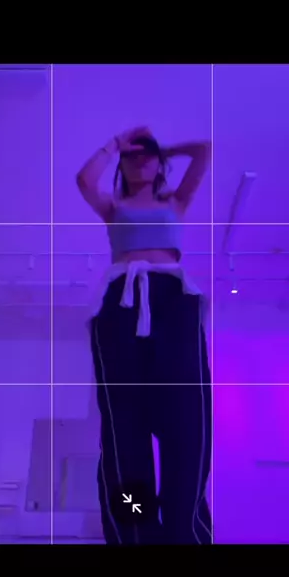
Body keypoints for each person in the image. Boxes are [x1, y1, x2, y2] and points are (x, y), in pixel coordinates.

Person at [77, 128, 212, 545]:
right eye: (131, 158)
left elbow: (204, 150)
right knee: (124, 427)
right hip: (121, 301)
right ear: (121, 164)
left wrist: (161, 148)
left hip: (173, 299)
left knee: (187, 422)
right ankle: (135, 534)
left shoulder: (175, 201)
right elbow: (84, 179)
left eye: (147, 156)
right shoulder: (113, 206)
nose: (139, 161)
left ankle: (184, 532)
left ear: (159, 163)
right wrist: (116, 144)